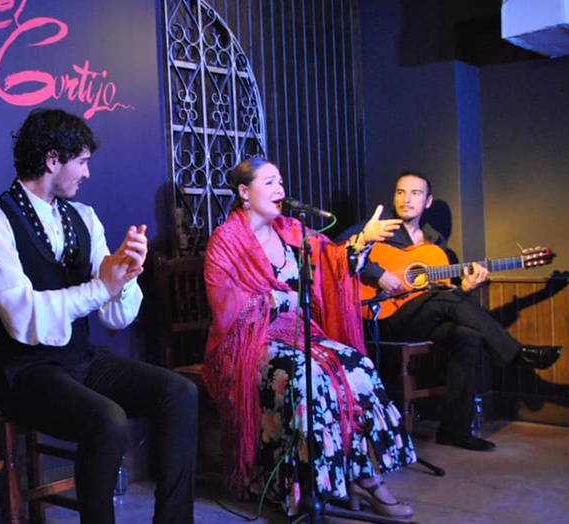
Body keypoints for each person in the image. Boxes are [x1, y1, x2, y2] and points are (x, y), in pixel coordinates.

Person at [0, 108, 197, 524]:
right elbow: (24, 318)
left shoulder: (84, 218)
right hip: (24, 371)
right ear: (53, 160)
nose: (87, 173)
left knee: (178, 392)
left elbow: (115, 316)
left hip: (80, 359)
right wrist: (101, 286)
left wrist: (125, 274)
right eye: (83, 161)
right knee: (107, 420)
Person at [203, 157, 417, 519]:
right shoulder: (226, 241)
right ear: (243, 191)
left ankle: (366, 476)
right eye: (269, 182)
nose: (280, 191)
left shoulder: (292, 230)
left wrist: (361, 240)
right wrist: (278, 299)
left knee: (357, 364)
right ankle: (304, 487)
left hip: (297, 334)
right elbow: (226, 307)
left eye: (281, 182)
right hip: (248, 342)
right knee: (307, 376)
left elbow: (333, 262)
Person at [342, 171, 562, 452]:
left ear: (428, 201)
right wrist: (378, 273)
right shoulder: (380, 226)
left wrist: (467, 287)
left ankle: (455, 430)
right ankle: (516, 353)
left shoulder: (434, 242)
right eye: (400, 192)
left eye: (415, 193)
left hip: (421, 317)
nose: (407, 199)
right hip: (383, 318)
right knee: (442, 297)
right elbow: (337, 248)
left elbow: (442, 293)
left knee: (467, 335)